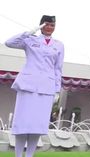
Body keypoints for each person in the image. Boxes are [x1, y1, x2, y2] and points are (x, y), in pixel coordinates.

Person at [5, 15, 64, 157]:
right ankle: (18, 155)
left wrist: (57, 90)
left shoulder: (59, 45)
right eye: (47, 24)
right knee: (23, 123)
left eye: (52, 25)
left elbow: (58, 68)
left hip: (46, 88)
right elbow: (9, 42)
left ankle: (30, 155)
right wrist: (30, 31)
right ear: (42, 25)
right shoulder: (30, 40)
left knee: (37, 125)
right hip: (27, 85)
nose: (50, 27)